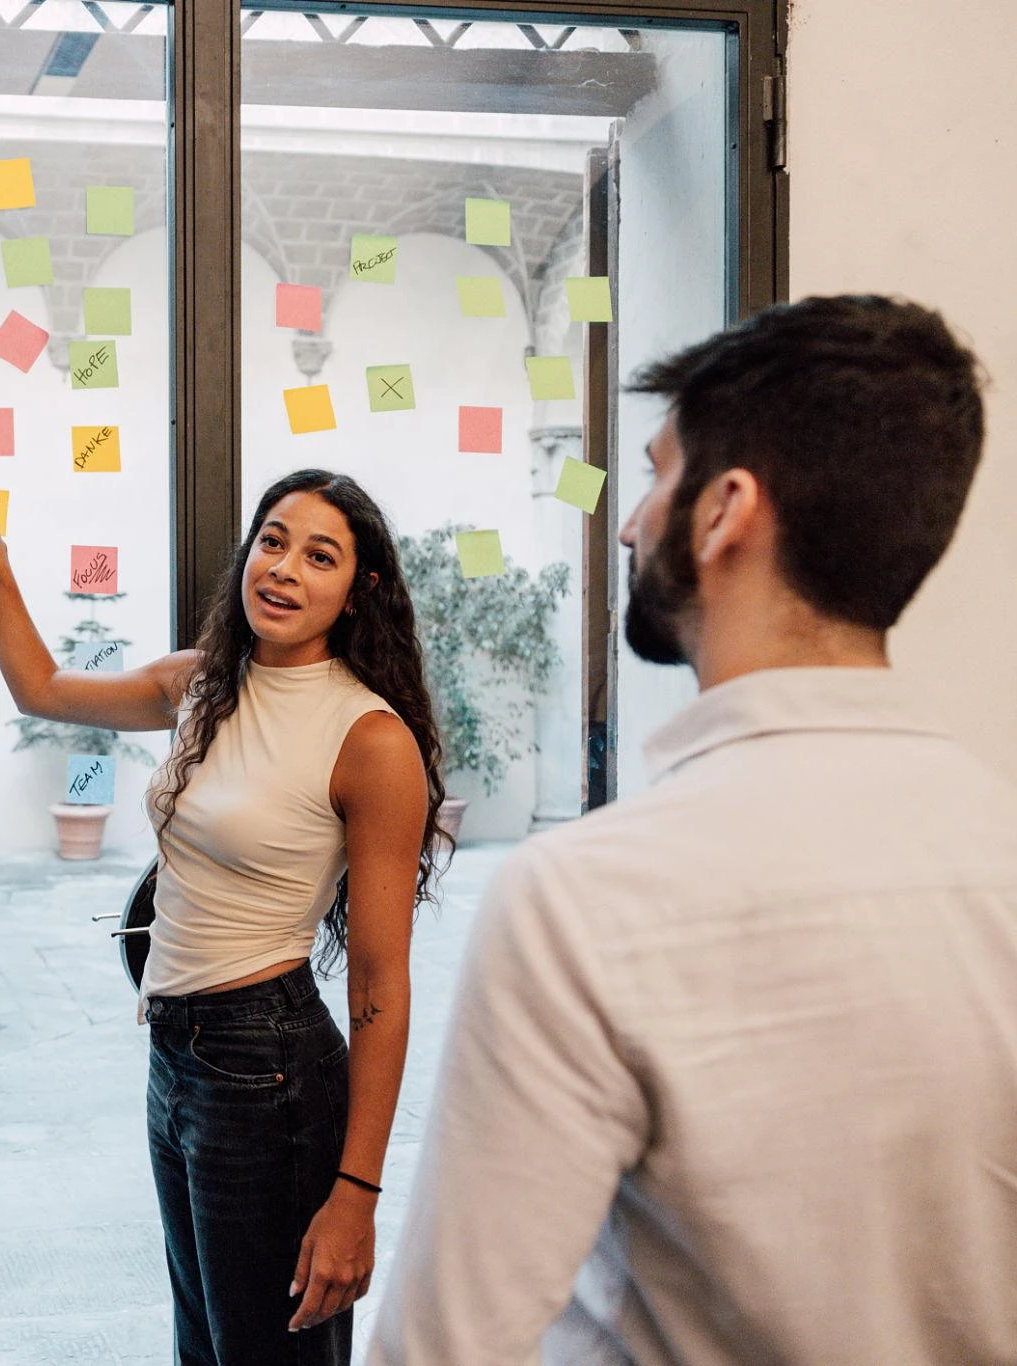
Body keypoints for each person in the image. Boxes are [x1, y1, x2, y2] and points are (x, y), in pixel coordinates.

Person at [370, 296, 1017, 1364]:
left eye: (654, 472)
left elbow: (443, 1346)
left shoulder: (582, 900)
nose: (628, 520)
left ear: (723, 511)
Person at [0, 463, 444, 1364]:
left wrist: (357, 1194)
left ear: (358, 591)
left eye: (319, 556)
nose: (284, 569)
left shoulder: (370, 741)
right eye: (273, 542)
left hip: (271, 1069)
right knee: (208, 1348)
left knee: (268, 1353)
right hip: (177, 1054)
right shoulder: (206, 683)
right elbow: (42, 690)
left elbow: (380, 985)